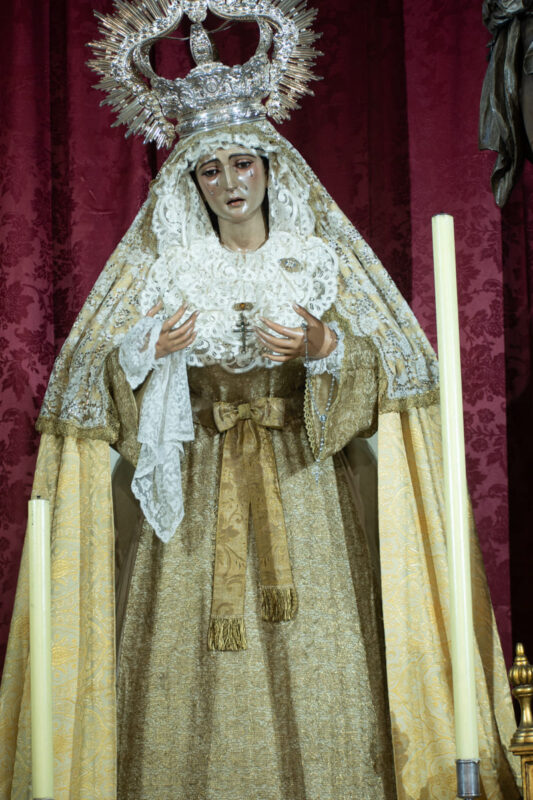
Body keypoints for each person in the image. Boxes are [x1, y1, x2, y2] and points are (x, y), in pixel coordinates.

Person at [0, 3, 522, 799]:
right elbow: (88, 388)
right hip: (198, 489)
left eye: (242, 163)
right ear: (191, 181)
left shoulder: (314, 261)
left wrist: (324, 348)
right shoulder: (169, 270)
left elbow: (394, 372)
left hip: (305, 482)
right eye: (210, 170)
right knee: (188, 660)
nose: (229, 183)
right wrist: (145, 352)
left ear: (270, 167)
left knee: (319, 648)